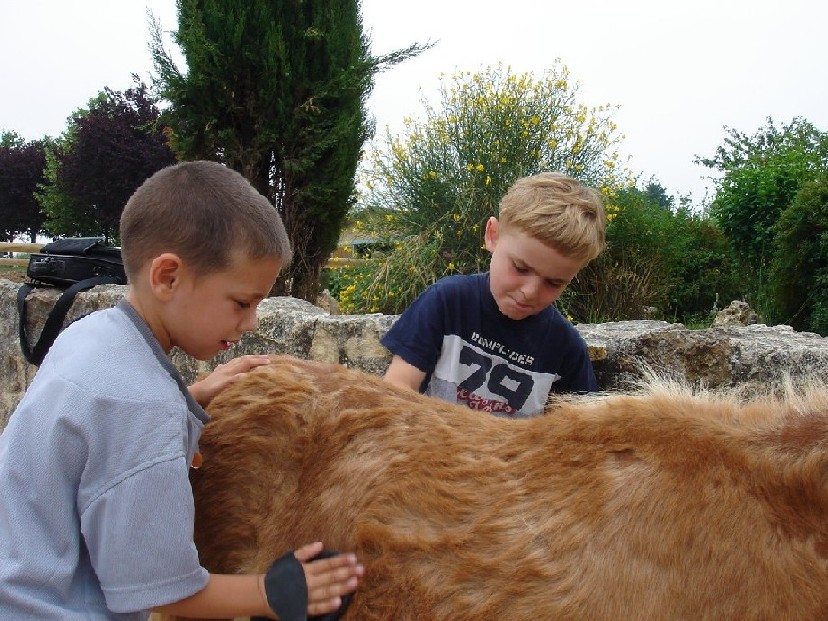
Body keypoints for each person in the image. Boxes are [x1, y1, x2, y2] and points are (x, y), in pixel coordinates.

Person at [0, 161, 362, 620]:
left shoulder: (91, 336)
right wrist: (275, 593)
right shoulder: (141, 408)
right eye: (241, 302)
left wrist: (187, 395)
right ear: (167, 277)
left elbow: (96, 429)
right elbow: (161, 592)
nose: (250, 323)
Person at [381, 171, 605, 417]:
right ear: (493, 235)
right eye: (520, 268)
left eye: (554, 283)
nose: (530, 292)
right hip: (434, 450)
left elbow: (578, 435)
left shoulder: (567, 348)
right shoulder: (446, 302)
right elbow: (397, 390)